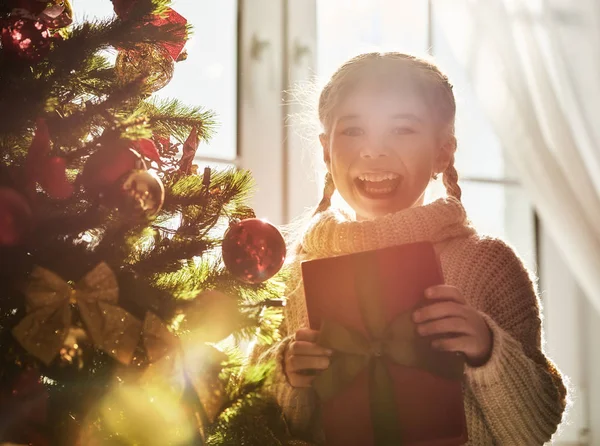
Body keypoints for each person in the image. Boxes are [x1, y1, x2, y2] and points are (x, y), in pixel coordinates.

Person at [255, 52, 567, 445]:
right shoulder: (295, 272)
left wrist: (488, 350)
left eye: (401, 130)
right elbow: (254, 423)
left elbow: (533, 430)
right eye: (353, 131)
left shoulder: (488, 264)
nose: (374, 151)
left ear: (443, 152)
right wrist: (286, 374)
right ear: (326, 151)